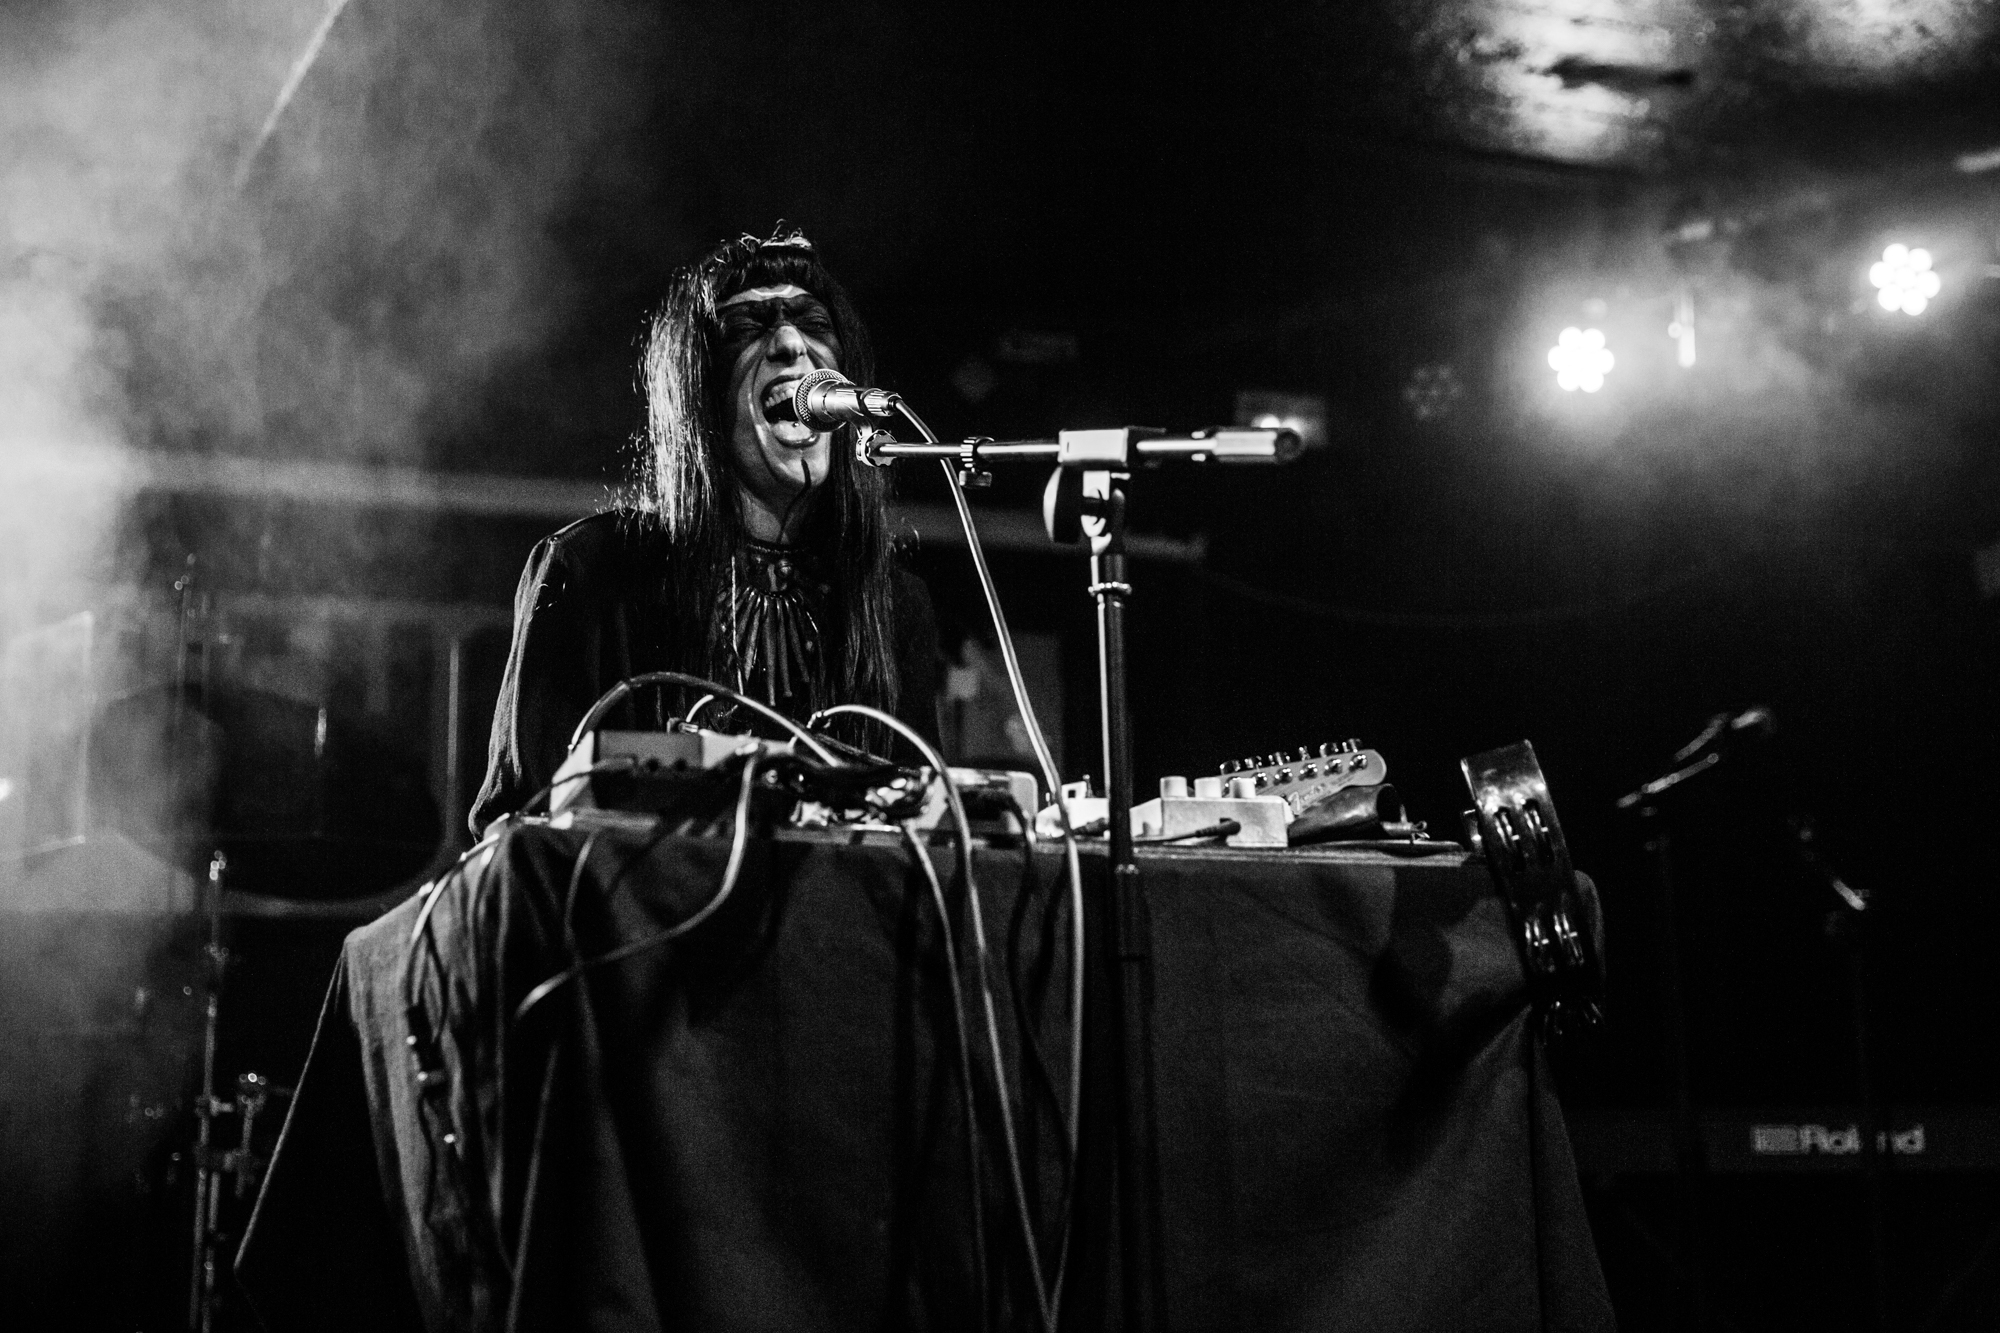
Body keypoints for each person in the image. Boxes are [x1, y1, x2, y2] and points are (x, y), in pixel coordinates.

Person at [471, 225, 941, 831]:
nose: (790, 343)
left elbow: (927, 835)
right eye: (748, 327)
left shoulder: (894, 605)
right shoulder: (593, 571)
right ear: (699, 390)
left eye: (814, 323)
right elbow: (518, 831)